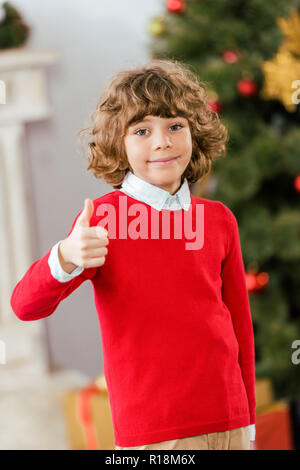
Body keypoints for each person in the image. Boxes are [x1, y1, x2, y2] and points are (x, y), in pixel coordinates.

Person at [10, 58, 256, 450]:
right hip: (154, 435)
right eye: (142, 130)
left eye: (175, 126)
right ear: (118, 144)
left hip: (230, 424)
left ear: (195, 132)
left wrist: (249, 422)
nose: (162, 141)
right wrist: (67, 254)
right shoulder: (102, 221)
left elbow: (240, 329)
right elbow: (25, 306)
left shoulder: (219, 220)